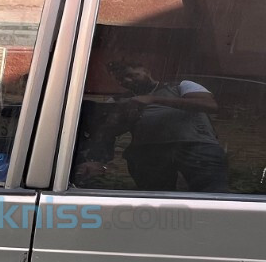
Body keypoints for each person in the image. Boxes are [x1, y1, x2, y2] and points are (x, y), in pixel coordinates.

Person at [75, 60, 229, 192]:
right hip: (149, 153)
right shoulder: (118, 101)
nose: (127, 81)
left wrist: (153, 99)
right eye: (121, 79)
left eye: (131, 74)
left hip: (196, 147)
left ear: (146, 71)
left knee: (211, 194)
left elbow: (209, 105)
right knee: (155, 199)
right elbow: (106, 133)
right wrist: (126, 119)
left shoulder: (182, 86)